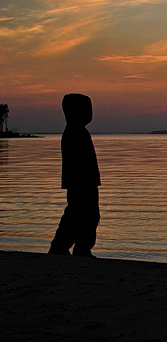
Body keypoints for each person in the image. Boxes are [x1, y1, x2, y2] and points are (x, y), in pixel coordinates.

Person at [49, 93, 101, 256]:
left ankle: (78, 247)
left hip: (84, 181)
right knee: (80, 214)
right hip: (81, 182)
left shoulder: (78, 131)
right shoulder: (74, 132)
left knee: (86, 214)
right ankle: (67, 247)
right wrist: (87, 178)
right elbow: (79, 160)